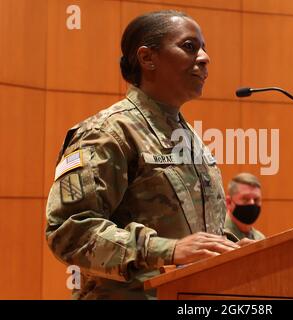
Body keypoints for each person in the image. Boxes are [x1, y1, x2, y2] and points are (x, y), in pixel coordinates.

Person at [45, 10, 242, 300]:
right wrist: (169, 250)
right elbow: (68, 231)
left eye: (204, 48)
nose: (204, 58)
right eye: (189, 47)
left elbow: (203, 231)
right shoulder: (107, 132)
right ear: (147, 58)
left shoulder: (188, 135)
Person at [224, 173, 266, 241]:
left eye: (256, 199)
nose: (252, 203)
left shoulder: (260, 239)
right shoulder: (218, 235)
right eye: (245, 199)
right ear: (229, 202)